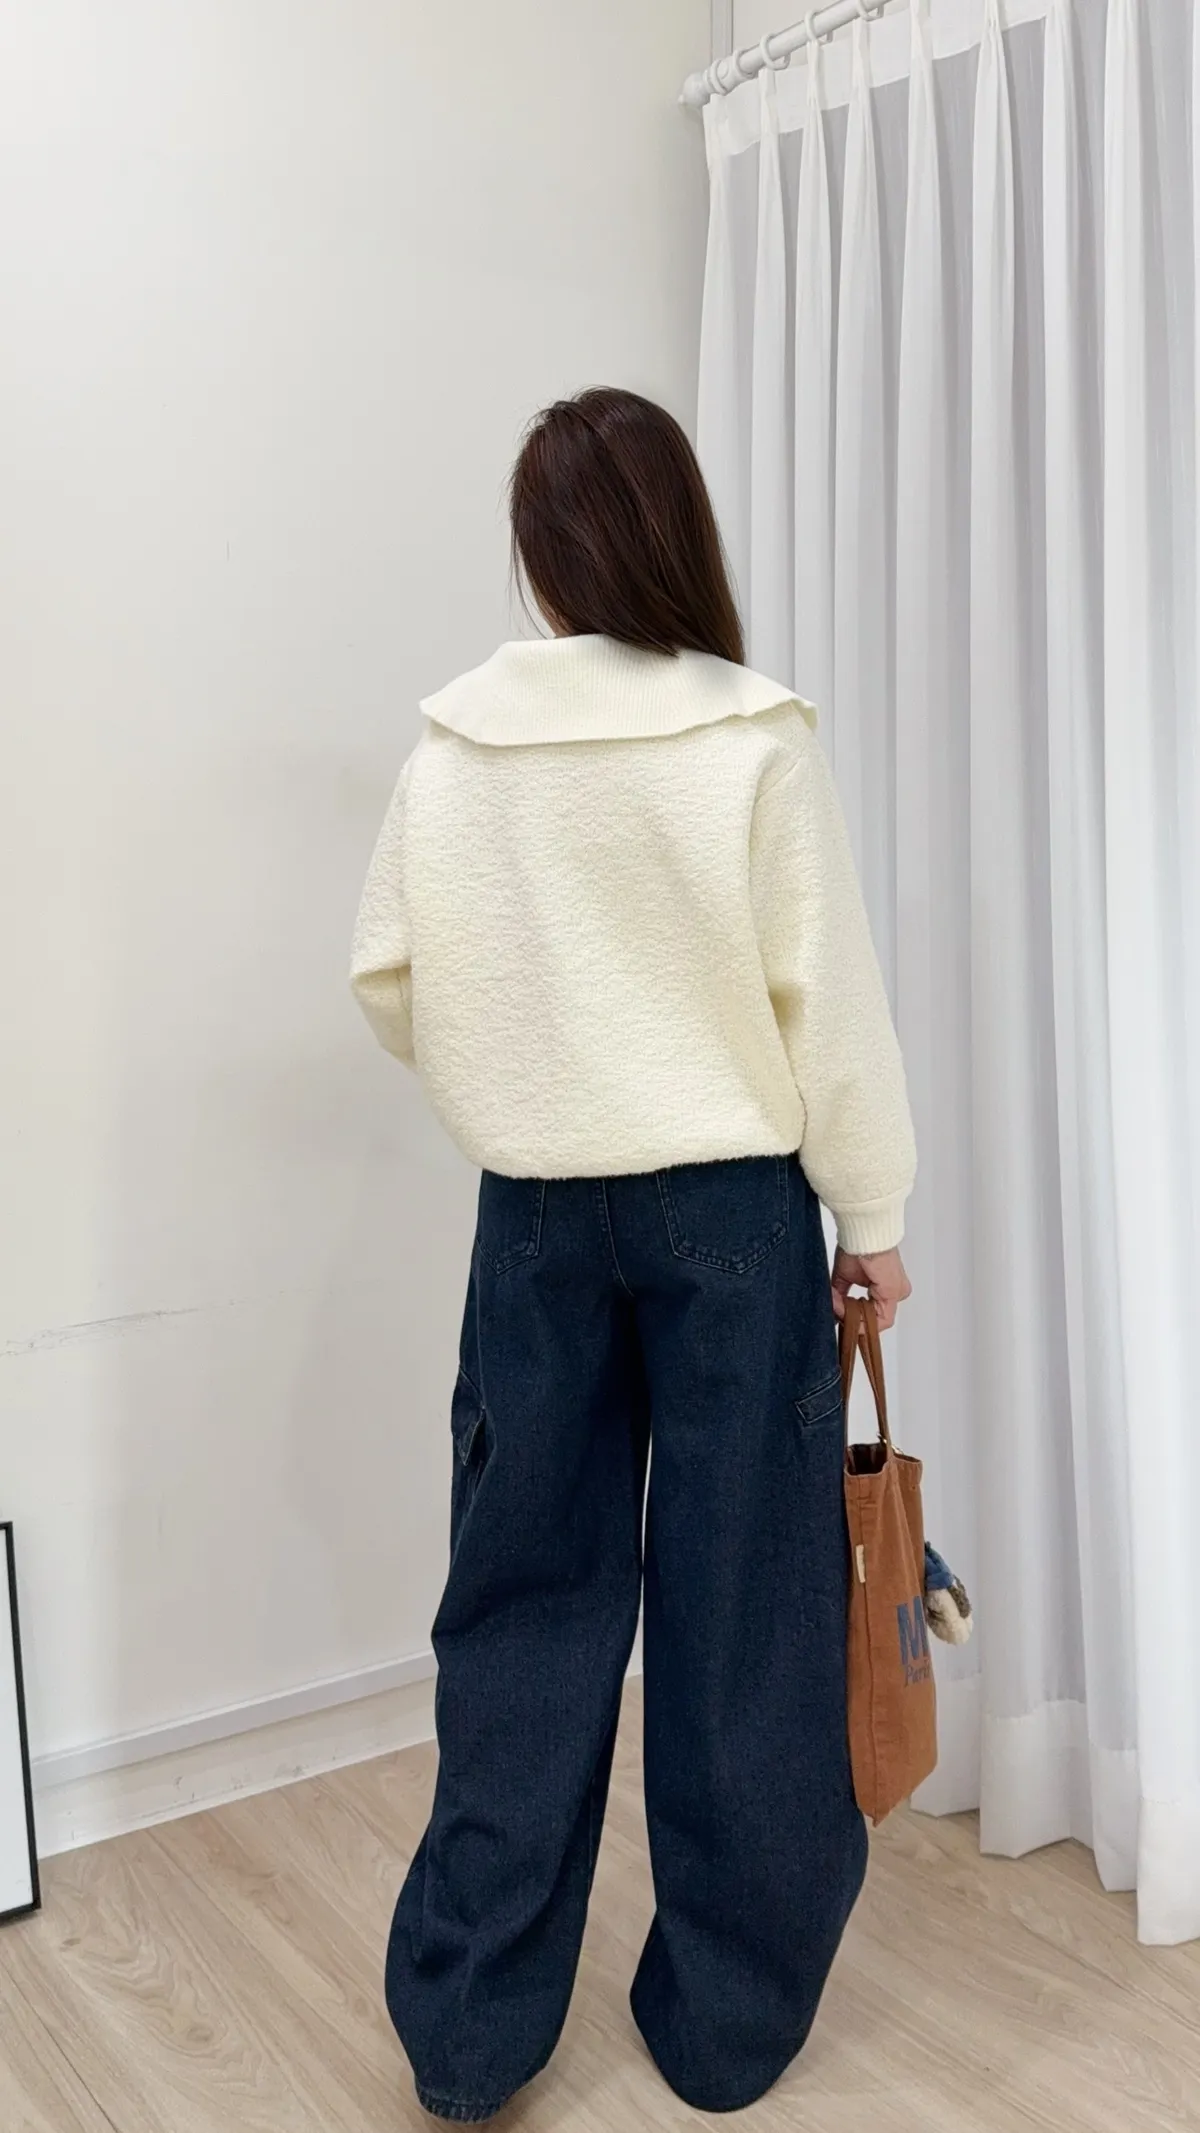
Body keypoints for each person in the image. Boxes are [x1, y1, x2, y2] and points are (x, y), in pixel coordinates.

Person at [351, 386, 915, 2122]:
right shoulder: (753, 736)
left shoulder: (457, 749)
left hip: (533, 1215)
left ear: (542, 555)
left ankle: (470, 2035)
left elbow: (388, 978)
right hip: (733, 1215)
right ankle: (725, 2030)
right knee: (749, 1610)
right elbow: (829, 1012)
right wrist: (875, 1221)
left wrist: (524, 1071)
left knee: (520, 1604)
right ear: (678, 532)